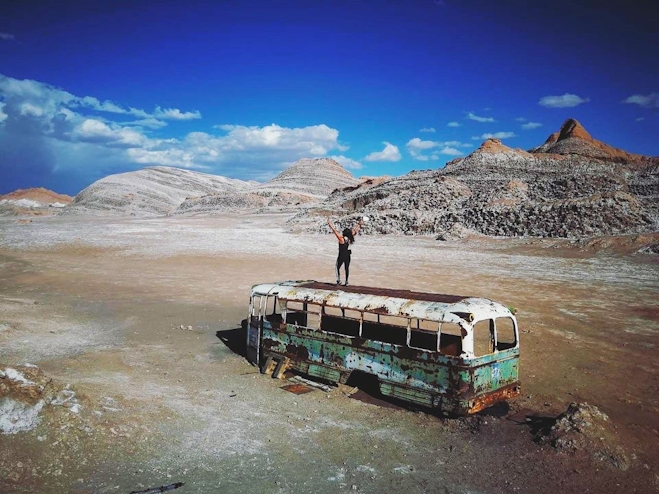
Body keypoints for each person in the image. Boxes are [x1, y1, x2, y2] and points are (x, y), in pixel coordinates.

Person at [327, 216, 363, 286]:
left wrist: (329, 223)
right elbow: (355, 231)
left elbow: (334, 230)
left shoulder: (341, 239)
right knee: (346, 268)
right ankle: (346, 282)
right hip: (348, 254)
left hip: (341, 255)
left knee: (337, 267)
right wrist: (359, 224)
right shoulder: (349, 238)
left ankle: (338, 280)